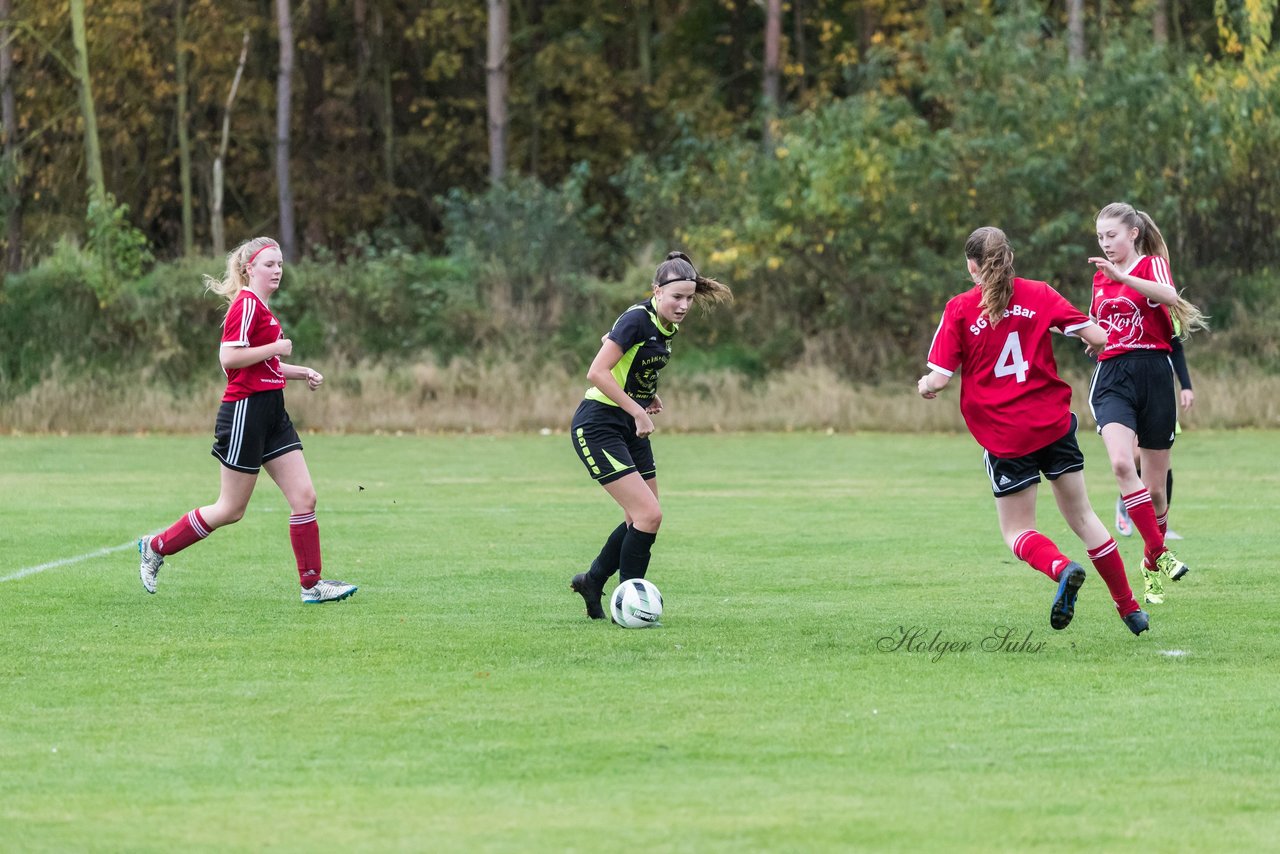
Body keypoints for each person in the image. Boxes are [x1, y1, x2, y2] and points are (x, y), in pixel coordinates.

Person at [919, 227, 1148, 636]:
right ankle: (1129, 607)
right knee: (1084, 517)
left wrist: (924, 386)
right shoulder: (1039, 294)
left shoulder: (960, 309)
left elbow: (937, 379)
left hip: (1006, 437)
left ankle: (1062, 568)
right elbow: (1098, 335)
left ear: (972, 267)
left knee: (1017, 530)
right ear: (1009, 258)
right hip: (1053, 426)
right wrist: (1085, 340)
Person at [136, 237, 357, 604]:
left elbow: (263, 363)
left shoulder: (264, 310)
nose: (277, 271)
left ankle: (312, 586)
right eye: (269, 264)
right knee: (230, 509)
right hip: (245, 412)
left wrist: (301, 372)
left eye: (280, 264)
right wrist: (277, 347)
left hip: (273, 412)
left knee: (305, 498)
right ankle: (155, 546)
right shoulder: (246, 305)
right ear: (249, 268)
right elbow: (229, 359)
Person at [568, 251, 732, 620]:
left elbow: (628, 358)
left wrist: (646, 392)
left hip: (626, 424)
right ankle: (632, 605)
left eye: (690, 298)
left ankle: (593, 581)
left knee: (640, 518)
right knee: (648, 514)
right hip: (599, 425)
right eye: (677, 297)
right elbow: (597, 371)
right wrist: (636, 409)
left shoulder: (662, 324)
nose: (684, 305)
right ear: (656, 291)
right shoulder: (637, 318)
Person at [1088, 203, 1207, 604]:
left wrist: (1124, 277)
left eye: (1112, 236)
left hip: (1155, 375)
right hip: (1114, 378)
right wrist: (1086, 335)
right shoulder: (1099, 278)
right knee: (1123, 463)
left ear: (1133, 234)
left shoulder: (1151, 265)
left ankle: (1148, 564)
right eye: (1101, 237)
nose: (1105, 244)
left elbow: (1168, 296)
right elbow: (1099, 328)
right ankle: (1161, 551)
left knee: (1157, 492)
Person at [1115, 331, 1193, 540]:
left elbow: (1175, 347)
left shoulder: (1166, 309)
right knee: (1137, 456)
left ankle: (1161, 526)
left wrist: (1186, 386)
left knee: (1163, 465)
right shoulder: (1122, 306)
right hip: (1130, 386)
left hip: (1160, 388)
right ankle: (1124, 503)